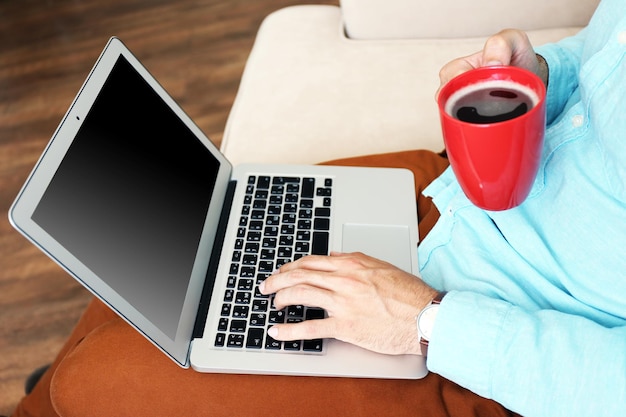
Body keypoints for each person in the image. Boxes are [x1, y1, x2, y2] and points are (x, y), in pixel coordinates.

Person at [11, 0, 626, 416]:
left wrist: (425, 323)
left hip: (490, 332)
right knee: (152, 245)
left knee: (88, 380)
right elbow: (602, 54)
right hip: (460, 184)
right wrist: (543, 72)